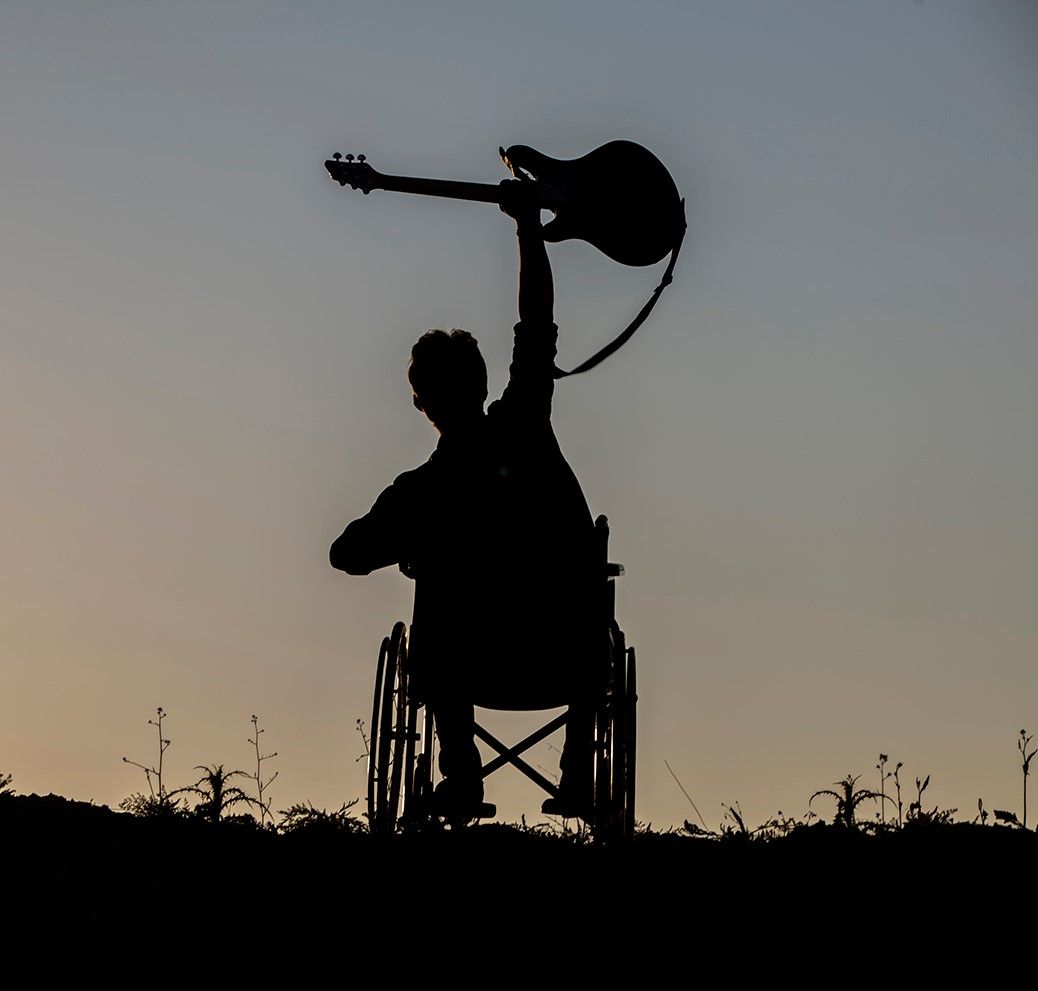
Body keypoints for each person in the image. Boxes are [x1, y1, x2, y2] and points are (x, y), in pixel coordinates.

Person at [330, 181, 600, 820]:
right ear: (481, 384)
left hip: (472, 661)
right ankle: (577, 771)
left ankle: (463, 777)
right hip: (560, 654)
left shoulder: (421, 492)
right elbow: (538, 321)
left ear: (422, 402)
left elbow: (346, 554)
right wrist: (527, 227)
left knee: (439, 592)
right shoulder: (525, 423)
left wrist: (409, 551)